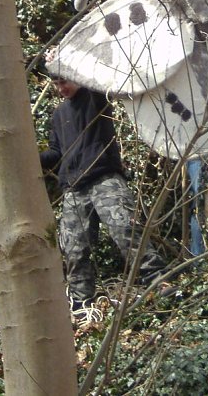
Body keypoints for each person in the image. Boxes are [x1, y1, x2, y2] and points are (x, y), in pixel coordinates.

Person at [39, 74, 169, 321]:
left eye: (64, 81)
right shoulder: (58, 115)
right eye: (56, 84)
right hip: (74, 188)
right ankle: (80, 303)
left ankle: (158, 281)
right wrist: (30, 159)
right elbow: (56, 152)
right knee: (75, 249)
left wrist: (66, 60)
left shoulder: (95, 96)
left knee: (126, 231)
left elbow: (96, 74)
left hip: (104, 178)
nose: (61, 88)